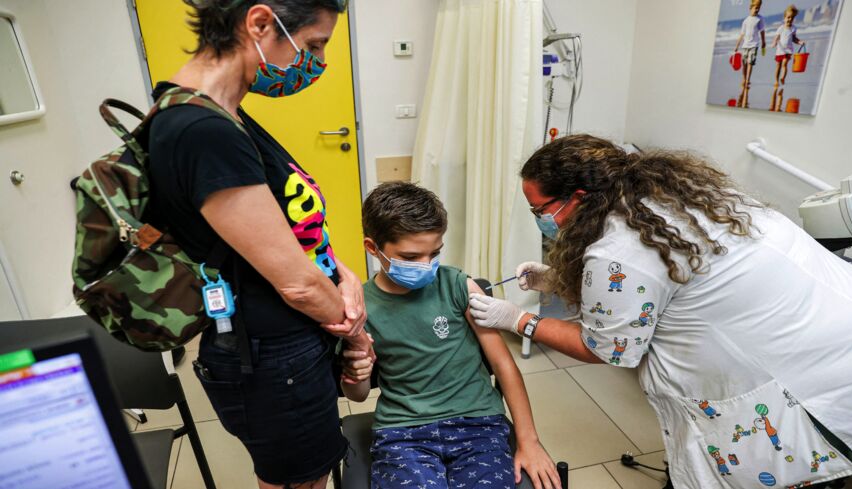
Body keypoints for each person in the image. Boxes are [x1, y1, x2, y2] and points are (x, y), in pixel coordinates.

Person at [468, 134, 852, 488]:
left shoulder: (621, 249)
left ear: (577, 198)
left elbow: (605, 347)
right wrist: (557, 278)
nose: (541, 221)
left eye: (540, 211)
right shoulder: (692, 198)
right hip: (851, 331)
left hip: (820, 387)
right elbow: (665, 279)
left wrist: (519, 320)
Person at [147, 1, 372, 488]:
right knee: (301, 482)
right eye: (312, 45)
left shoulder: (224, 115)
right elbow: (296, 285)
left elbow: (290, 234)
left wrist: (345, 275)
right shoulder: (201, 130)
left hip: (288, 346)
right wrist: (353, 330)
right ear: (261, 23)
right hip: (273, 356)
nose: (318, 63)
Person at [340, 182, 560, 489]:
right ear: (372, 247)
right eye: (411, 256)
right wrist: (355, 373)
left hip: (479, 424)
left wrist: (529, 441)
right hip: (403, 433)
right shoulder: (361, 307)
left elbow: (504, 366)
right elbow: (358, 395)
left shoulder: (457, 286)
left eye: (434, 253)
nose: (427, 266)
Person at [734, 0, 766, 108]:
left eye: (758, 8)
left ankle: (747, 80)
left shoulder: (760, 19)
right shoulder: (746, 21)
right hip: (745, 45)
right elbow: (742, 34)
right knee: (744, 64)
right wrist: (737, 45)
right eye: (755, 7)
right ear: (750, 7)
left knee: (750, 63)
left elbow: (762, 31)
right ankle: (744, 78)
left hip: (754, 45)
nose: (757, 9)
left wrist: (764, 42)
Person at [773, 4, 804, 88]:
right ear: (784, 18)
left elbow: (794, 39)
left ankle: (783, 78)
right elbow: (777, 37)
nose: (790, 19)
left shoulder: (793, 28)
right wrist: (774, 42)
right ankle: (776, 80)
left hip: (788, 50)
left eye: (792, 18)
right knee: (778, 66)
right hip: (780, 50)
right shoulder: (781, 28)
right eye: (788, 17)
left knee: (784, 64)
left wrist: (800, 42)